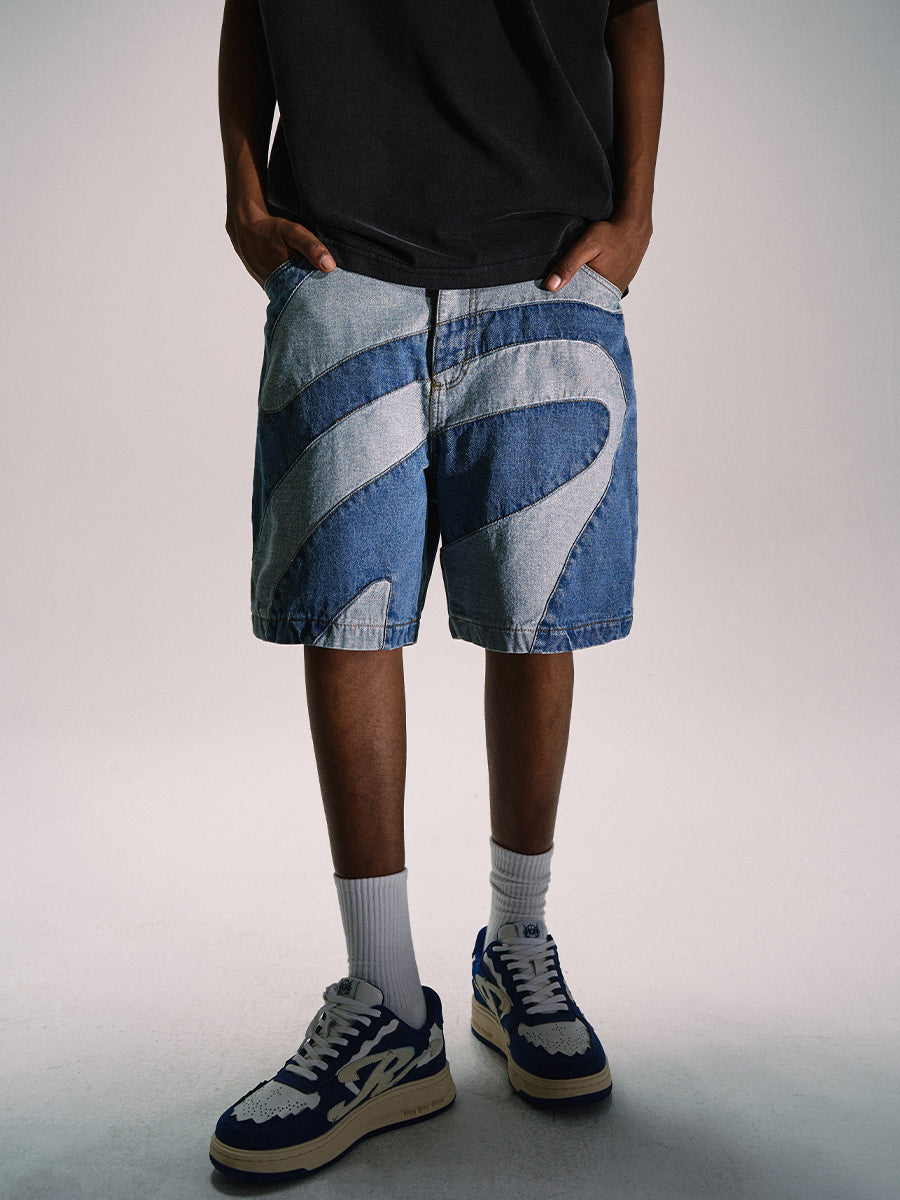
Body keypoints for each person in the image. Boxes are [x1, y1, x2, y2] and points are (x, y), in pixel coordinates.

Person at [210, 0, 664, 1182]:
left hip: (547, 264)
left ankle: (518, 945)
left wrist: (635, 217)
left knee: (536, 622)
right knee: (346, 618)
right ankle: (384, 1001)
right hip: (340, 262)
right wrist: (245, 196)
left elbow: (631, 8)